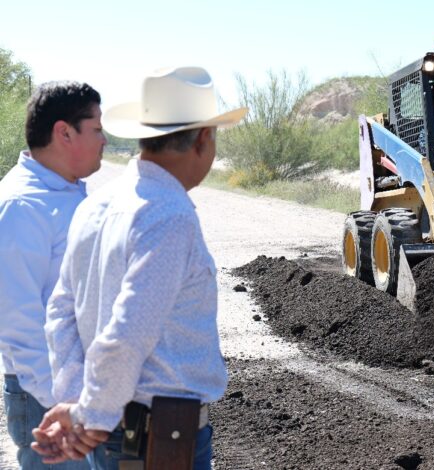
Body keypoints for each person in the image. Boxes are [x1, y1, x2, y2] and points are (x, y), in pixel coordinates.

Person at [31, 67, 247, 469]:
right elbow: (129, 331)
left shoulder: (97, 203)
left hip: (116, 433)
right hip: (152, 440)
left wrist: (81, 403)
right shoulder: (168, 215)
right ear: (203, 138)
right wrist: (88, 415)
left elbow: (62, 311)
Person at [0, 81, 105, 469]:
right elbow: (16, 319)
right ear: (64, 132)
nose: (104, 140)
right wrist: (61, 403)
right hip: (46, 398)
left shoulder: (68, 193)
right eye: (95, 128)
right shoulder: (21, 206)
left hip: (78, 394)